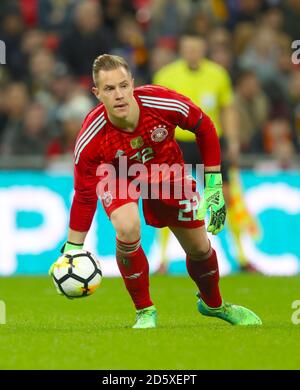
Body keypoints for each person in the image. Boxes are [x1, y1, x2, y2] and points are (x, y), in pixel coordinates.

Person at [58, 54, 262, 329]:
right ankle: (145, 311)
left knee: (200, 249)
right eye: (109, 89)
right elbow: (84, 195)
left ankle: (214, 305)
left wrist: (213, 185)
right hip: (117, 174)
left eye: (122, 86)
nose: (118, 95)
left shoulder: (161, 101)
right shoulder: (91, 136)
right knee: (128, 228)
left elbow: (205, 127)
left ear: (132, 84)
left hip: (166, 172)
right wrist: (72, 249)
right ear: (97, 93)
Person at [153, 32, 258, 273]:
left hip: (209, 143)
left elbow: (227, 109)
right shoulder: (166, 75)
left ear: (204, 49)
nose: (193, 53)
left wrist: (231, 140)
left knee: (223, 196)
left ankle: (242, 257)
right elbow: (157, 115)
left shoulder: (218, 74)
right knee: (169, 200)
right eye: (188, 48)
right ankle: (163, 261)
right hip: (177, 144)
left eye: (197, 48)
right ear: (181, 50)